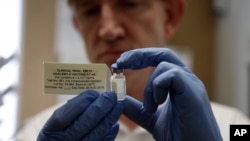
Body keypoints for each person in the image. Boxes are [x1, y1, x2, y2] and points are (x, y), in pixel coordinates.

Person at [15, 0, 250, 141]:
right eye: (90, 11)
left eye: (130, 4)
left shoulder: (236, 124)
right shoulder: (35, 132)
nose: (107, 30)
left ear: (169, 17)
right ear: (78, 26)